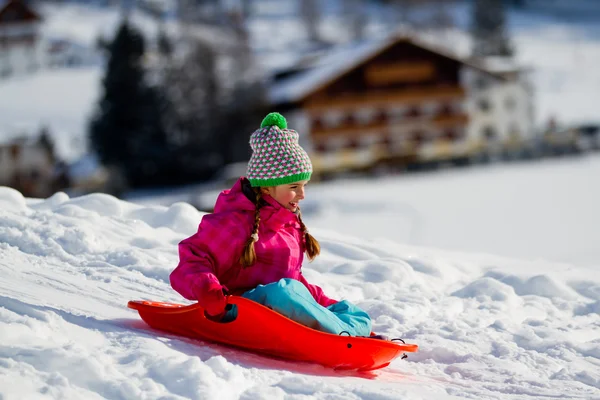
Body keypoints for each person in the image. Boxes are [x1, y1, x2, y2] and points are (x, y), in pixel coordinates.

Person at [169, 112, 372, 336]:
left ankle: (347, 328)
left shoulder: (288, 227)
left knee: (350, 311)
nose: (302, 195)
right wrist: (208, 290)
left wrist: (328, 308)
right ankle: (340, 334)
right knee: (282, 293)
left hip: (279, 307)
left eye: (304, 185)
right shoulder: (234, 222)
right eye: (294, 187)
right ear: (267, 187)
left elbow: (294, 285)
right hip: (237, 310)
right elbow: (193, 258)